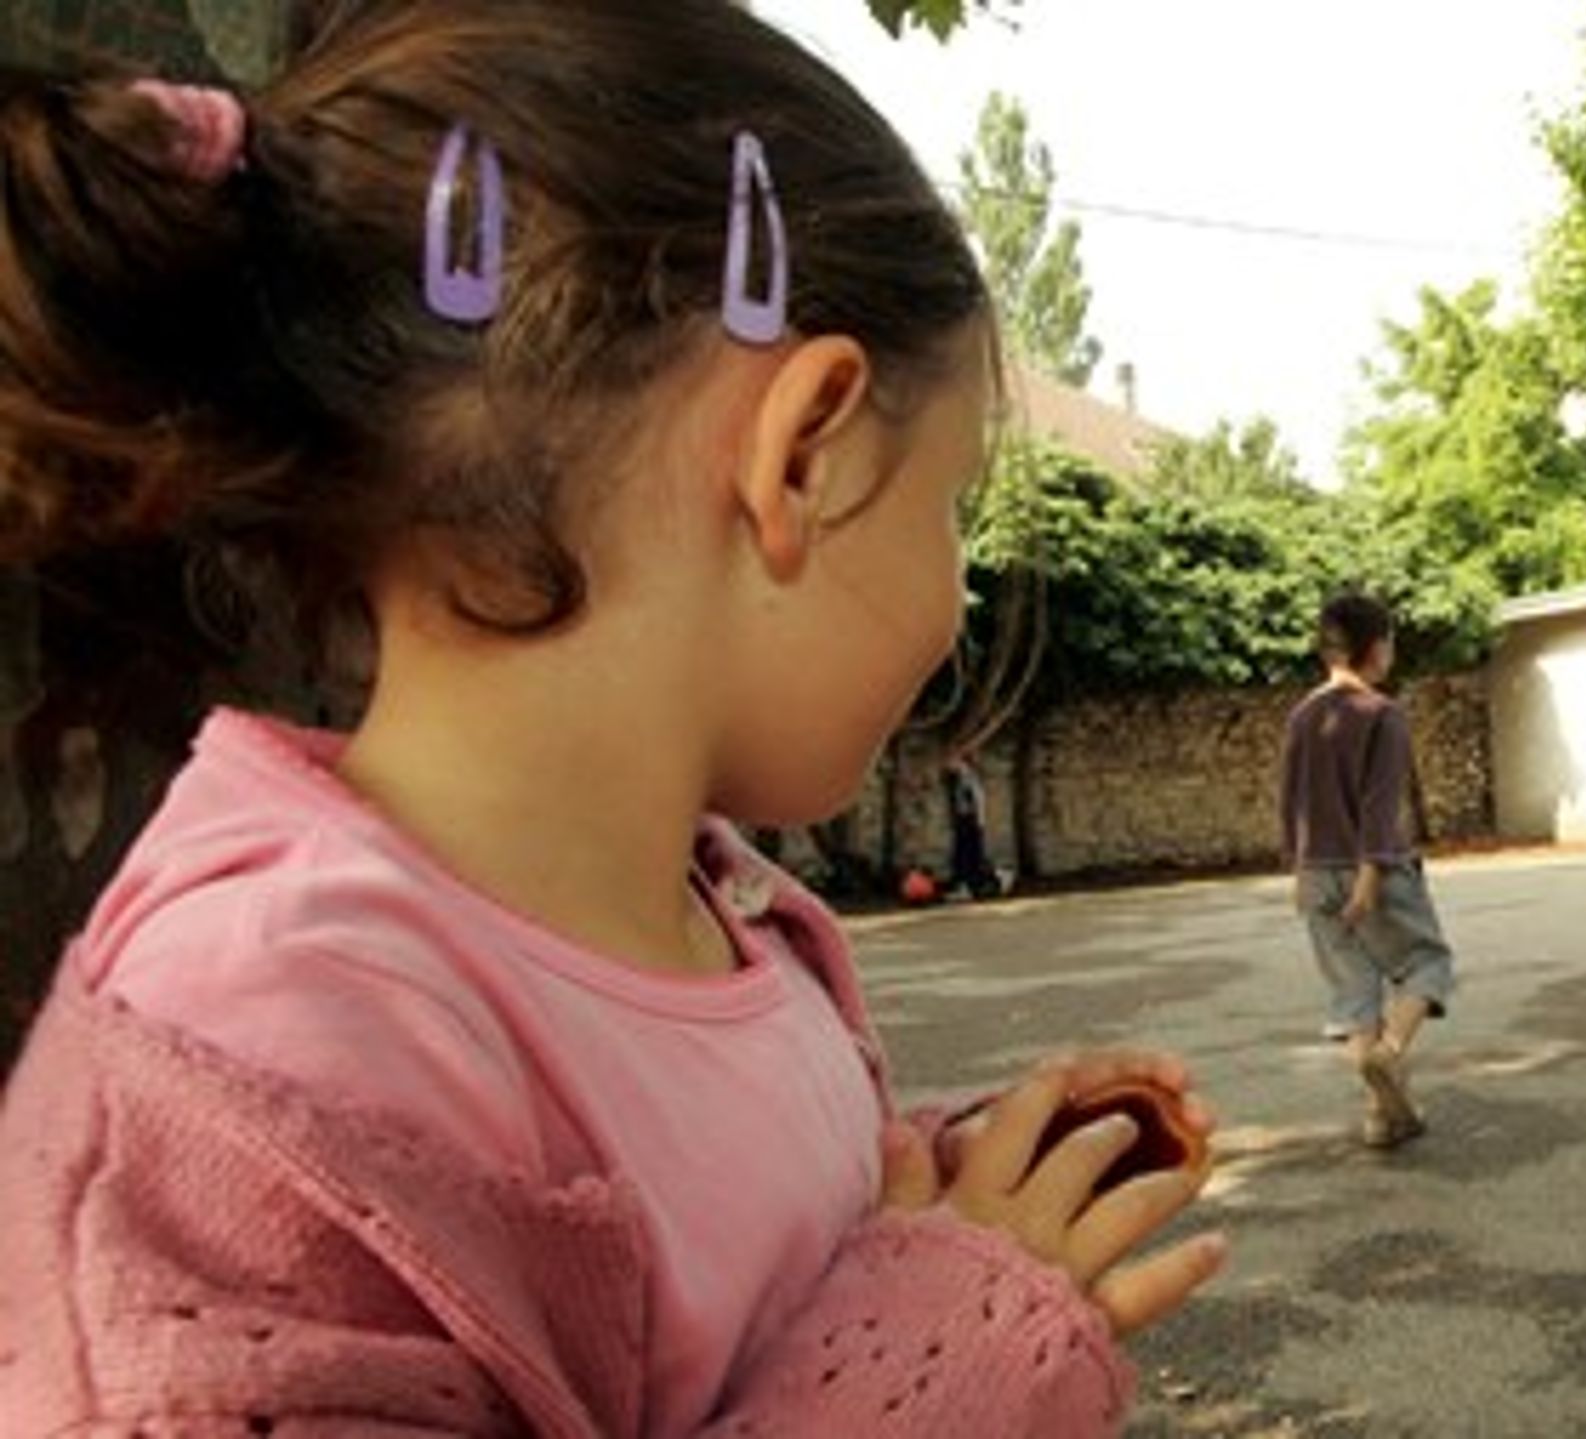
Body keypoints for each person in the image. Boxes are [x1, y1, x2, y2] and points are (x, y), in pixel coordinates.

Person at [0, 7, 1223, 1432]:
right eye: (948, 501)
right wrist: (941, 1362)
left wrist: (946, 1212)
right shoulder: (262, 1059)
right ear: (805, 451)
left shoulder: (723, 915)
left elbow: (719, 1298)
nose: (957, 594)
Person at [1280, 592, 1457, 1149]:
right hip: (1370, 868)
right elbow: (1380, 803)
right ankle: (1390, 1053)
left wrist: (1297, 870)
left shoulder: (1302, 715)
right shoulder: (1382, 714)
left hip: (1315, 872)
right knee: (1427, 962)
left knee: (1353, 990)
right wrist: (1370, 874)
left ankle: (1381, 1117)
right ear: (1378, 648)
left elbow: (1291, 802)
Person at [943, 743, 1005, 899]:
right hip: (966, 819)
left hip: (969, 820)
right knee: (966, 855)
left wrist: (978, 820)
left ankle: (971, 886)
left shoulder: (967, 777)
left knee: (969, 855)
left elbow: (975, 800)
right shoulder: (961, 778)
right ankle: (969, 885)